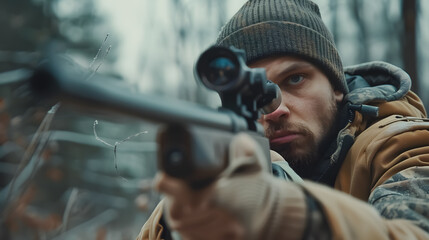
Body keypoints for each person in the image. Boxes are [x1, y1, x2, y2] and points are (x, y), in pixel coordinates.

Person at [137, 0, 429, 239]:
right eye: (255, 93)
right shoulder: (213, 188)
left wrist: (288, 213)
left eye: (295, 78)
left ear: (337, 87)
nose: (275, 109)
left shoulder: (401, 147)